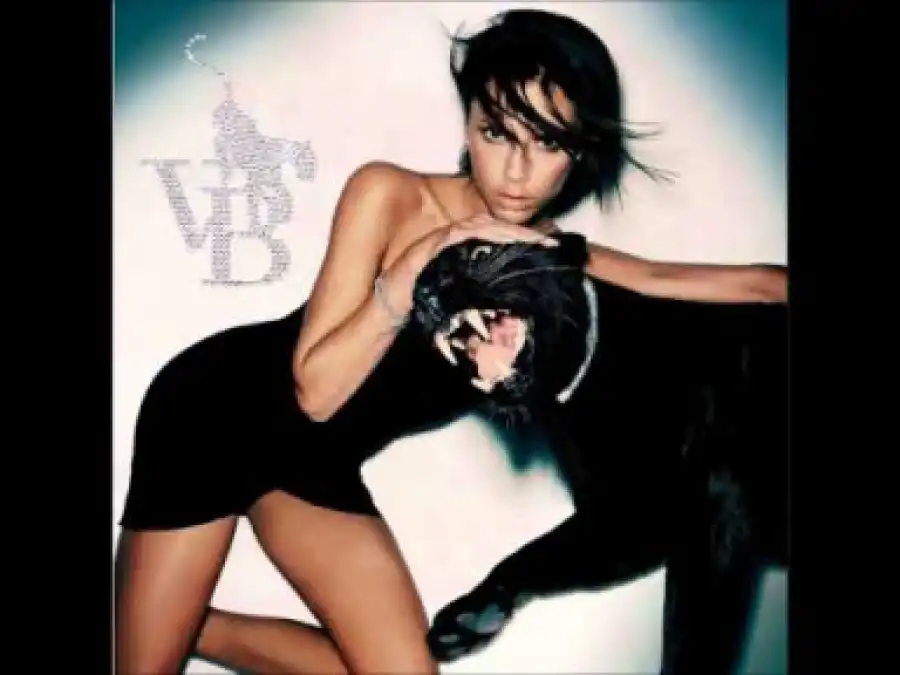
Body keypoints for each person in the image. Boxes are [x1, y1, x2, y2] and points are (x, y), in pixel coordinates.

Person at [114, 7, 786, 675]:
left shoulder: (550, 260)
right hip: (216, 415)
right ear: (467, 124)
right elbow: (315, 392)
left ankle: (181, 616)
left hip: (315, 466)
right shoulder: (390, 195)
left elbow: (726, 281)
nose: (517, 171)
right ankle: (157, 618)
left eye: (548, 142)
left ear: (578, 152)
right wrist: (418, 261)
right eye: (497, 132)